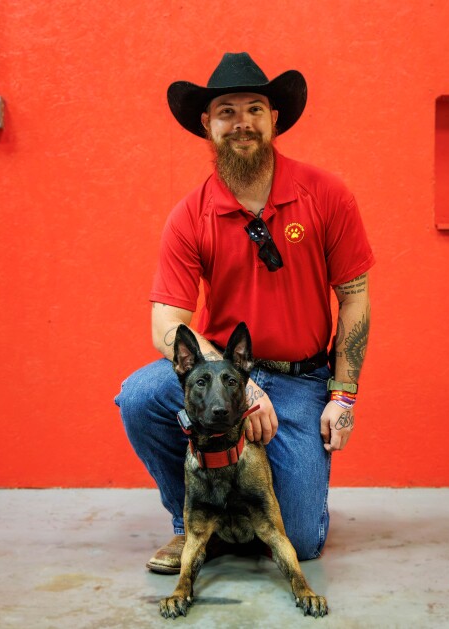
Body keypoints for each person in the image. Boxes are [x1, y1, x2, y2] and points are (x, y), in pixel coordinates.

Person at [115, 52, 374, 574]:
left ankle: (263, 507)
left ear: (274, 119)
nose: (242, 123)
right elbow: (166, 324)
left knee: (301, 542)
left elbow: (355, 295)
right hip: (221, 377)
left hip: (302, 379)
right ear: (207, 125)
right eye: (226, 111)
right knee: (141, 396)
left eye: (254, 108)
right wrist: (242, 385)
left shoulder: (326, 195)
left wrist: (343, 396)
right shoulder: (191, 215)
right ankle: (192, 524)